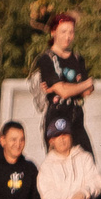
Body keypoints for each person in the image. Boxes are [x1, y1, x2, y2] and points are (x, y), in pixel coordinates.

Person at [34, 13, 95, 150]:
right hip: (58, 117)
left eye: (71, 32)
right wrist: (83, 84)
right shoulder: (48, 59)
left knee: (87, 161)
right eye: (63, 32)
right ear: (53, 32)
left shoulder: (77, 59)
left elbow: (88, 91)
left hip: (76, 117)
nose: (67, 37)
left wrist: (76, 87)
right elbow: (64, 91)